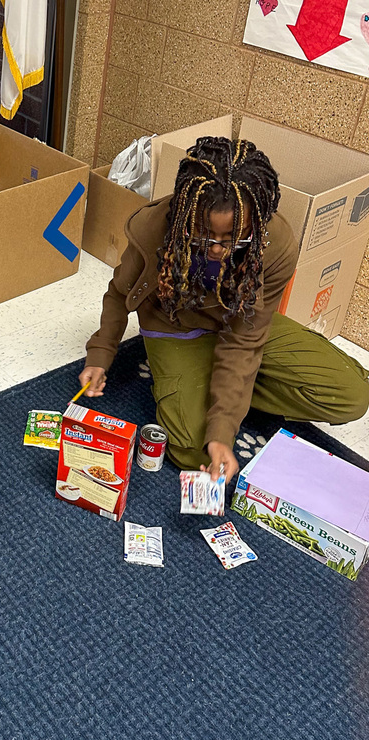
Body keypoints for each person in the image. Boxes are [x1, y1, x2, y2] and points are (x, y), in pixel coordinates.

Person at [79, 136, 369, 482]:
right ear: (185, 218)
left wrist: (222, 427)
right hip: (176, 330)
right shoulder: (153, 227)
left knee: (351, 398)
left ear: (255, 223)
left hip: (240, 328)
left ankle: (227, 396)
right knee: (190, 451)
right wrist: (100, 354)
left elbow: (244, 342)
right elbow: (117, 295)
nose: (217, 250)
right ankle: (225, 393)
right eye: (203, 237)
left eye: (234, 238)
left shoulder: (276, 246)